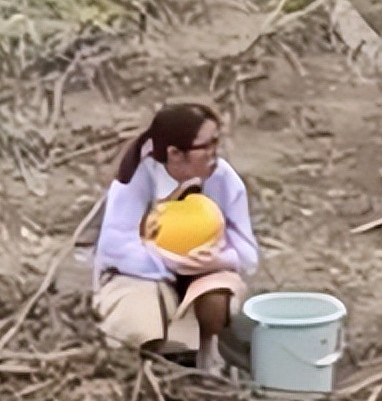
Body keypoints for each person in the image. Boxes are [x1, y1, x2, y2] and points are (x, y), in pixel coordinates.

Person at [93, 103, 259, 375]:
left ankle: (205, 360)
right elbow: (116, 246)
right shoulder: (135, 178)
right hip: (143, 272)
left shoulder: (225, 181)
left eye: (216, 142)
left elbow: (247, 252)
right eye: (206, 145)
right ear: (175, 154)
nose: (214, 152)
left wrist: (218, 259)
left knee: (215, 298)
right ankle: (145, 366)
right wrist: (169, 263)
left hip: (205, 269)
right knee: (140, 323)